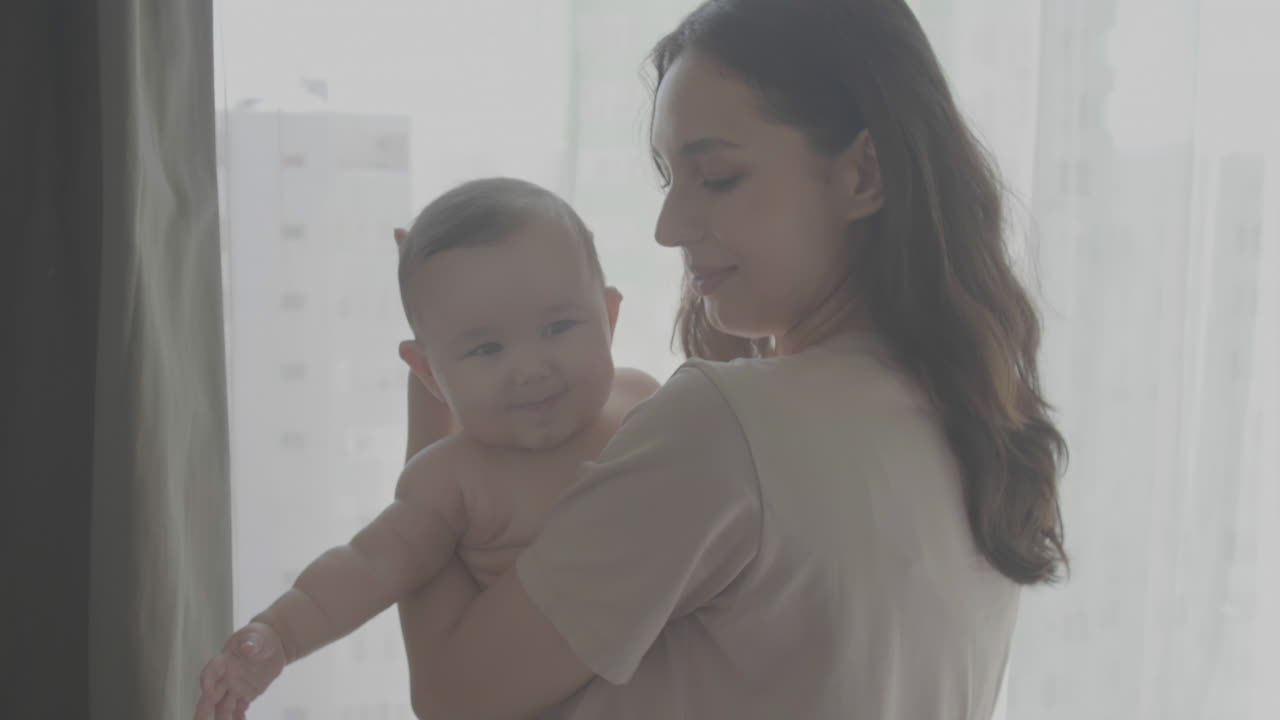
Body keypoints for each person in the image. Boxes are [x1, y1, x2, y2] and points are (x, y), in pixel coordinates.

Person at [396, 1, 1070, 718]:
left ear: (864, 174)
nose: (668, 227)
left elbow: (454, 698)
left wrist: (441, 386)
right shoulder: (982, 426)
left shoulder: (728, 429)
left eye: (715, 178)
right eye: (668, 181)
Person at [192, 178, 659, 720]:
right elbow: (366, 565)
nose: (531, 368)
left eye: (558, 326)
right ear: (429, 372)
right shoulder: (452, 479)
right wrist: (278, 636)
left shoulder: (644, 398)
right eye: (487, 347)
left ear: (610, 317)